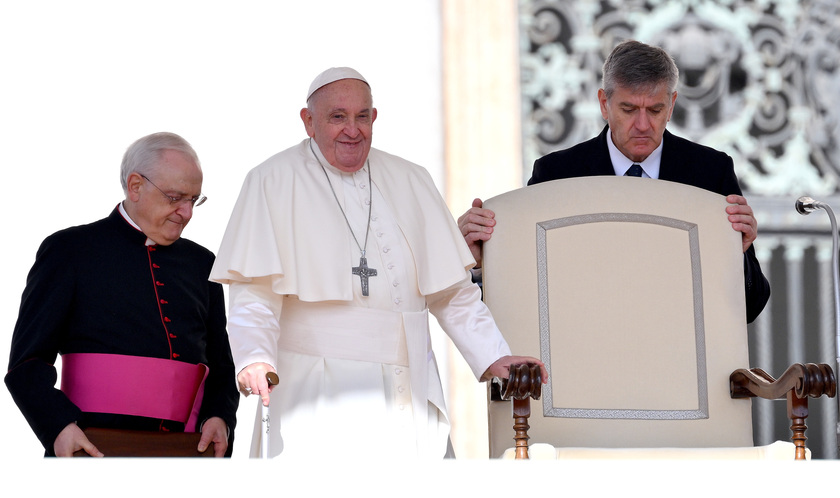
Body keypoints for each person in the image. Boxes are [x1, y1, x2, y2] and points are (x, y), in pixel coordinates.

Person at [209, 67, 546, 459]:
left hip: (406, 389)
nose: (352, 129)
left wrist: (493, 355)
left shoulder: (411, 179)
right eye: (338, 117)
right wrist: (254, 358)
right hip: (315, 392)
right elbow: (255, 293)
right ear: (308, 121)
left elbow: (453, 295)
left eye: (362, 116)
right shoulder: (271, 180)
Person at [459, 40, 771, 323]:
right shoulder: (556, 174)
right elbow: (525, 295)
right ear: (604, 104)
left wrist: (738, 252)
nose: (643, 124)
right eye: (629, 109)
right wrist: (479, 265)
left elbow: (750, 307)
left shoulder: (710, 172)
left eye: (655, 109)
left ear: (672, 104)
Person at [5, 132, 239, 457]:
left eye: (194, 199)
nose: (187, 213)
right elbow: (27, 362)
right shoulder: (70, 250)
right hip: (92, 446)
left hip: (187, 450)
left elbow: (221, 364)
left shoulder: (203, 264)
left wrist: (220, 417)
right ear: (135, 186)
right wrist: (58, 426)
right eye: (175, 197)